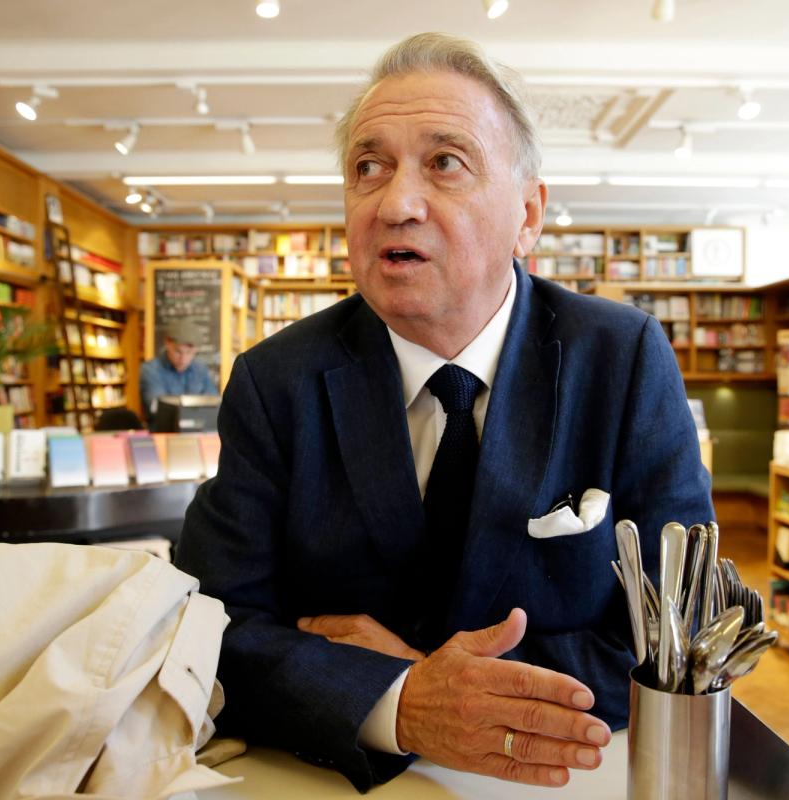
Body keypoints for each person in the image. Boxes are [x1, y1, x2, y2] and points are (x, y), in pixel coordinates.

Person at [175, 32, 713, 791]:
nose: (395, 204)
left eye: (446, 162)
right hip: (336, 773)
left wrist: (425, 684)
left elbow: (680, 631)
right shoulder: (276, 382)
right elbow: (209, 624)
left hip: (563, 776)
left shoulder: (621, 359)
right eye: (369, 168)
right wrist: (400, 704)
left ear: (528, 215)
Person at [139, 318, 218, 418]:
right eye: (178, 352)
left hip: (198, 427)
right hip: (165, 427)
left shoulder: (201, 370)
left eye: (189, 353)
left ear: (196, 350)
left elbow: (213, 403)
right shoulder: (150, 370)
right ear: (167, 343)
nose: (183, 359)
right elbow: (157, 407)